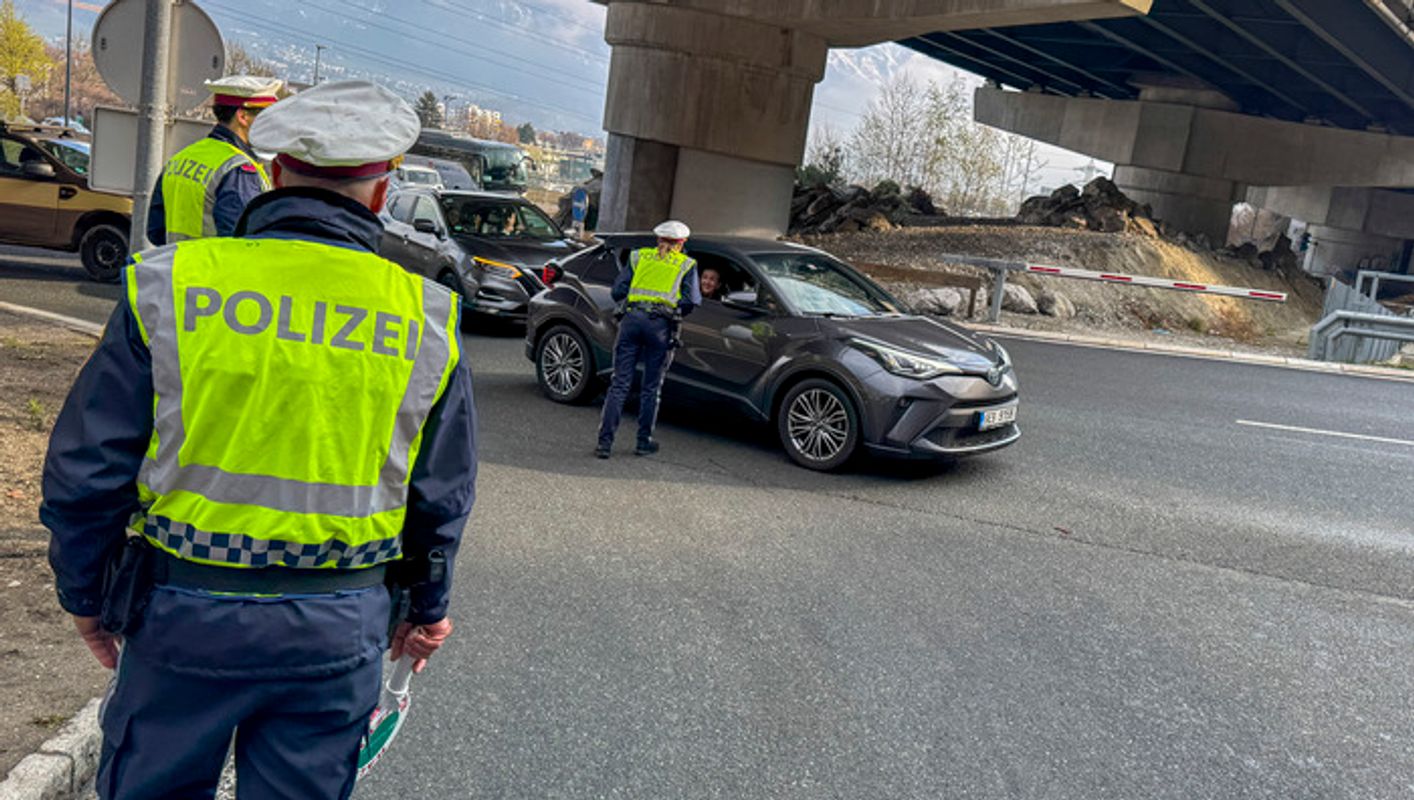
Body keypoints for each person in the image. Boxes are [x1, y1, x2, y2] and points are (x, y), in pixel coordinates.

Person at [41, 80, 478, 800]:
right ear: (382, 192)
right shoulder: (425, 316)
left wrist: (85, 593)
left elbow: (87, 469)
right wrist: (425, 607)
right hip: (339, 627)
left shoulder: (168, 286)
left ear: (272, 175)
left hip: (183, 614)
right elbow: (441, 494)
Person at [595, 220, 701, 458]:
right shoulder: (687, 264)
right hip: (660, 327)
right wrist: (672, 310)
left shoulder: (638, 257)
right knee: (651, 387)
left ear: (658, 240)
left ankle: (604, 443)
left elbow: (617, 291)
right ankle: (643, 442)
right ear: (682, 243)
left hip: (631, 321)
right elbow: (691, 300)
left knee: (619, 383)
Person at [147, 75, 282, 245]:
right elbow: (242, 243)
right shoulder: (238, 170)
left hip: (178, 268)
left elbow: (155, 232)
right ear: (242, 117)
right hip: (218, 271)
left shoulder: (181, 158)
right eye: (265, 117)